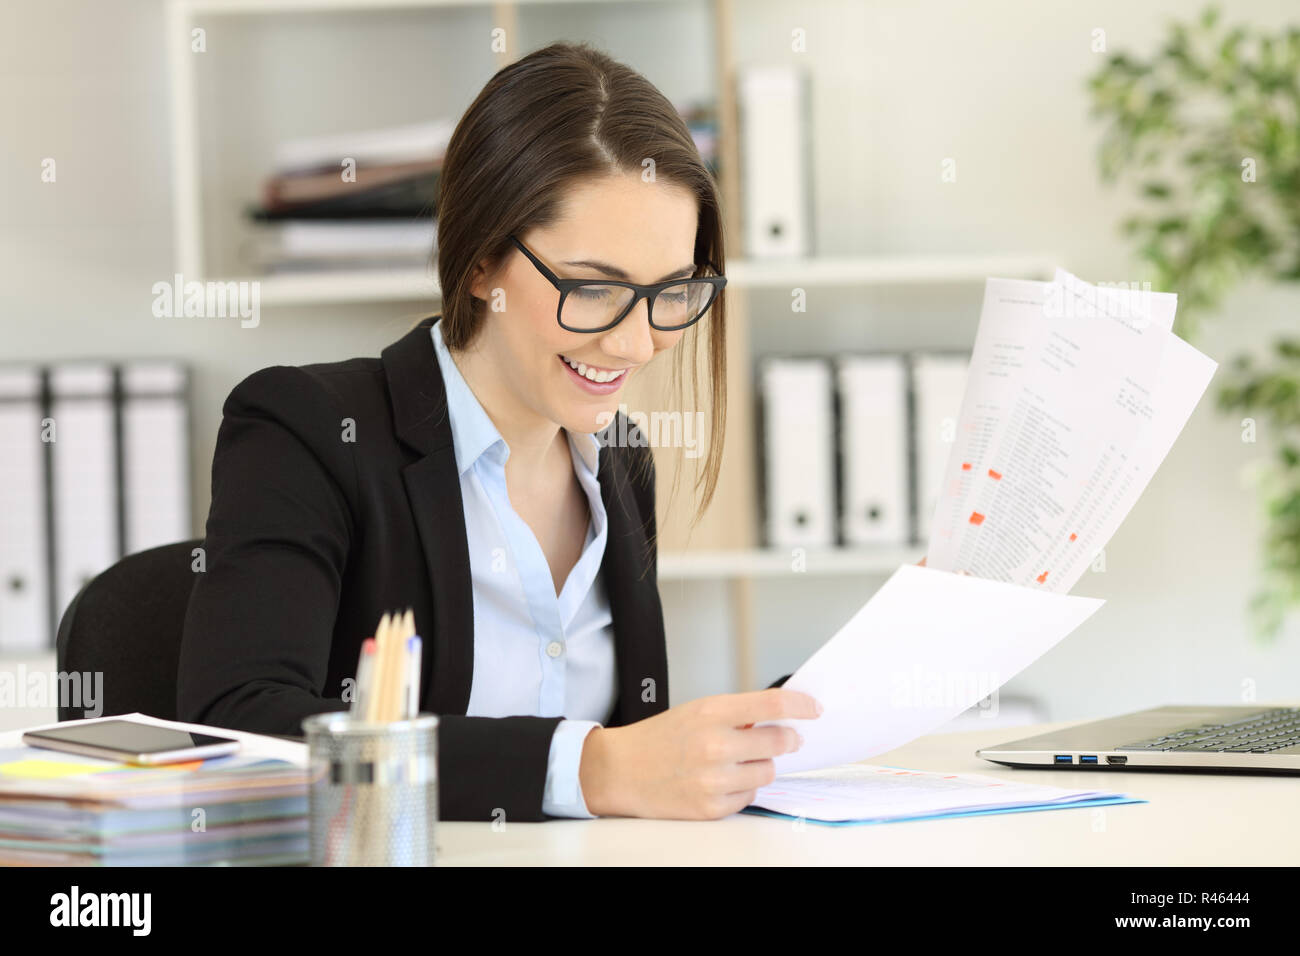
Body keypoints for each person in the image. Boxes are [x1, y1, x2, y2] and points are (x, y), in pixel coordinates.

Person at [176, 41, 821, 822]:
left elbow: (634, 767)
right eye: (592, 289)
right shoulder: (307, 429)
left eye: (672, 292)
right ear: (481, 262)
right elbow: (239, 729)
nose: (635, 344)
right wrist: (585, 769)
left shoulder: (619, 463)